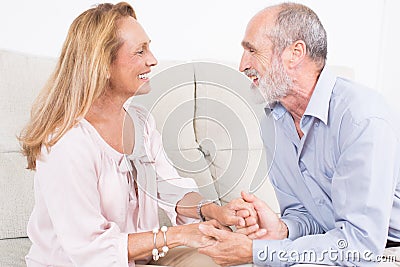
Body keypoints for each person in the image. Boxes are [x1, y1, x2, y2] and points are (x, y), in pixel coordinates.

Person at [18, 2, 255, 267]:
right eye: (139, 51)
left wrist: (213, 211)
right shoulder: (67, 142)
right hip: (82, 263)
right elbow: (89, 250)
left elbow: (168, 187)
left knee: (221, 257)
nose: (152, 59)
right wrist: (179, 235)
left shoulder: (140, 122)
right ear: (103, 66)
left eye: (149, 47)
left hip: (140, 258)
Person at [197, 2, 400, 266]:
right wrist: (283, 229)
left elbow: (360, 246)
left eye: (252, 50)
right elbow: (310, 215)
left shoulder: (360, 118)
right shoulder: (273, 121)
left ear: (295, 53)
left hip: (385, 250)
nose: (242, 65)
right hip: (340, 244)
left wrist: (257, 252)